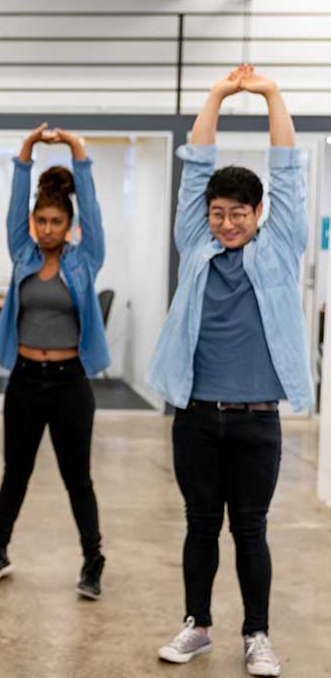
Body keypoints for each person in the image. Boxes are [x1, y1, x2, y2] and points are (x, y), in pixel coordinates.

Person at [148, 65, 312, 677]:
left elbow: (289, 169)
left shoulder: (279, 242)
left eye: (238, 213)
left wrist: (269, 94)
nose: (226, 223)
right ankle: (198, 626)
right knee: (198, 526)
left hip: (257, 419)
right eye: (218, 212)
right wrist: (216, 94)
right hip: (195, 415)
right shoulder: (196, 242)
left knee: (250, 530)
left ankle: (257, 634)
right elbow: (196, 165)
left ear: (258, 211)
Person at [0, 124, 110, 599]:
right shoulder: (22, 255)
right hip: (27, 380)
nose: (49, 229)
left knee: (79, 478)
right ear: (34, 224)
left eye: (57, 222)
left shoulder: (85, 258)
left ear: (68, 225)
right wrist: (26, 152)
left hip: (71, 382)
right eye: (43, 222)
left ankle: (92, 561)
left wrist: (78, 151)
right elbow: (16, 206)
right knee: (16, 471)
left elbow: (91, 211)